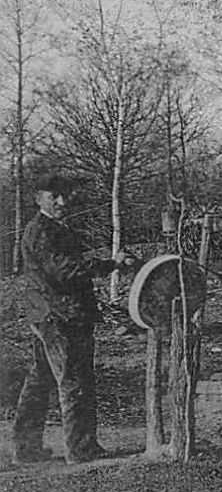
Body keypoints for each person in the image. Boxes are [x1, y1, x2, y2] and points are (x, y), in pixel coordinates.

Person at [13, 174, 135, 464]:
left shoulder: (54, 228)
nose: (62, 201)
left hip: (51, 312)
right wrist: (111, 264)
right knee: (75, 380)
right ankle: (81, 450)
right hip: (59, 317)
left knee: (41, 380)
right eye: (54, 195)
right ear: (38, 198)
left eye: (65, 195)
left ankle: (26, 450)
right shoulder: (41, 231)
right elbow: (67, 271)